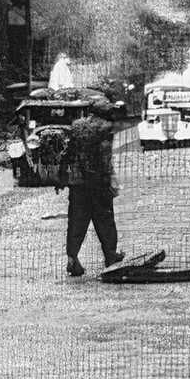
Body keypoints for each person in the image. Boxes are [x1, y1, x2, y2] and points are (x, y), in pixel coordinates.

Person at [58, 103, 125, 277]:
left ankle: (73, 258)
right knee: (105, 220)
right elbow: (105, 157)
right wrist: (110, 180)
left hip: (78, 182)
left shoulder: (77, 126)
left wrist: (62, 176)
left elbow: (67, 153)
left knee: (76, 221)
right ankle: (110, 256)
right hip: (98, 182)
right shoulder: (105, 128)